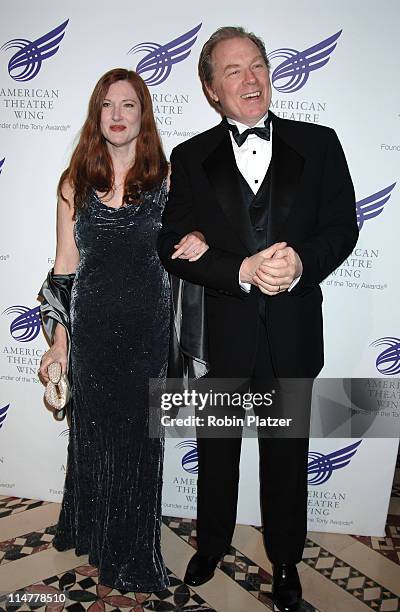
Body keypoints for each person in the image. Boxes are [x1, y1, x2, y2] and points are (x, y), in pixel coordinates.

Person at [158, 27, 358, 611]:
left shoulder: (319, 143)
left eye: (258, 66)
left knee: (286, 457)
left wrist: (300, 263)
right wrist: (239, 270)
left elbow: (341, 228)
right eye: (233, 71)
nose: (251, 80)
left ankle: (287, 559)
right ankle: (212, 542)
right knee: (215, 450)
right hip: (222, 338)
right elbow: (173, 241)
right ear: (210, 88)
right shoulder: (190, 157)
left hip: (293, 333)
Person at [38, 68, 208, 592]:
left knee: (139, 447)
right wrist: (60, 345)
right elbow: (65, 267)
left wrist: (199, 235)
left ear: (143, 115)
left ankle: (134, 553)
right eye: (108, 105)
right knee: (91, 439)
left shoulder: (168, 178)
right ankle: (92, 529)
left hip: (147, 335)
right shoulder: (73, 183)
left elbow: (196, 233)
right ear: (97, 114)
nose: (117, 115)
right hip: (89, 331)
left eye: (128, 105)